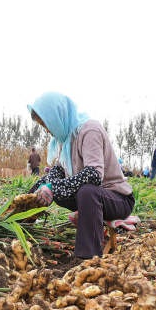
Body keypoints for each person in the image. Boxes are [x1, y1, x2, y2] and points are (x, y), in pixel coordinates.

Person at [26, 91, 134, 259]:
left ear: (57, 116)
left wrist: (53, 187)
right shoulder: (65, 138)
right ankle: (22, 224)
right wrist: (40, 189)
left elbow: (93, 175)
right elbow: (59, 170)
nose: (47, 131)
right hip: (93, 199)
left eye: (46, 125)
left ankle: (88, 257)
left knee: (86, 191)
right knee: (45, 184)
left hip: (117, 199)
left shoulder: (89, 130)